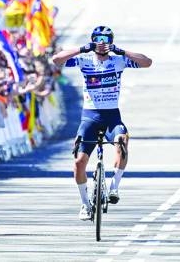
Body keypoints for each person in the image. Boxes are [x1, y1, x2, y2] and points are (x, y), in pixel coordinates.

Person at [51, 26, 152, 220]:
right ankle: (84, 204)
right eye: (98, 38)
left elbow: (147, 62)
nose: (102, 42)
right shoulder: (84, 60)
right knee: (79, 162)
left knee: (122, 141)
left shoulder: (119, 61)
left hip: (111, 117)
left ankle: (114, 187)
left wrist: (121, 50)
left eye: (106, 38)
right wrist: (83, 48)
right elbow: (56, 60)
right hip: (89, 117)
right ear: (93, 40)